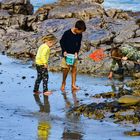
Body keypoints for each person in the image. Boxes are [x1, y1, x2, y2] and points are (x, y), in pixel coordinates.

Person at [60, 20, 86, 91]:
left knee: (74, 69)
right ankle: (63, 82)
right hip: (66, 54)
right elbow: (61, 42)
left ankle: (73, 84)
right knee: (66, 69)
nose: (81, 33)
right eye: (80, 31)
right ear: (76, 29)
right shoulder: (67, 33)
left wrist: (76, 52)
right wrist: (64, 51)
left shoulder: (79, 34)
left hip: (74, 54)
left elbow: (79, 44)